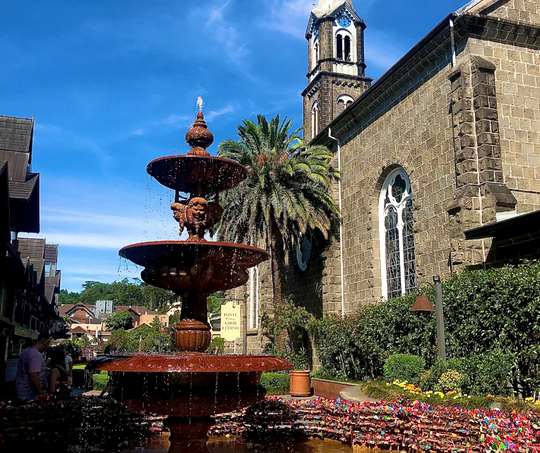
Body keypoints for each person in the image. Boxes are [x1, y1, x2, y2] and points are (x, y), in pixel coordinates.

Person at [15, 332, 51, 400]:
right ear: (46, 343)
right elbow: (33, 376)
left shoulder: (26, 351)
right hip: (29, 393)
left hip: (21, 390)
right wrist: (41, 395)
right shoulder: (36, 355)